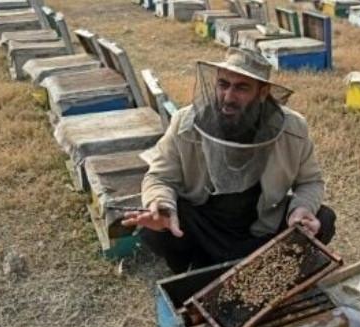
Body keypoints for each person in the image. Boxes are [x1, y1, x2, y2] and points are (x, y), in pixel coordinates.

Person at [123, 48, 336, 273]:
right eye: (223, 84)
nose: (228, 97)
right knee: (158, 226)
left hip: (261, 227)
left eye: (242, 88)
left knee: (324, 218)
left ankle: (268, 270)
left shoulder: (293, 128)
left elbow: (310, 181)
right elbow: (160, 176)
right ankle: (194, 270)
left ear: (263, 92)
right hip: (205, 226)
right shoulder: (185, 122)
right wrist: (161, 204)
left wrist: (301, 209)